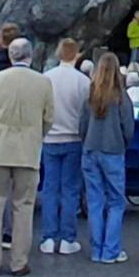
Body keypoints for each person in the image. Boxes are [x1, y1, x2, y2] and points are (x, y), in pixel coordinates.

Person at [0, 37, 52, 277]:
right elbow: (48, 118)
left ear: (10, 55)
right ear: (30, 56)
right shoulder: (43, 82)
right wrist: (35, 135)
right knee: (24, 206)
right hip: (27, 152)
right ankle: (19, 262)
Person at [78, 53, 132, 264]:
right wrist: (124, 144)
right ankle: (111, 250)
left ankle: (97, 249)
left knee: (95, 201)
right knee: (116, 202)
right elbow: (128, 128)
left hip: (91, 149)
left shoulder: (91, 94)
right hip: (113, 150)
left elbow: (81, 126)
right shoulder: (120, 96)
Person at [39, 39, 90, 255]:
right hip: (73, 139)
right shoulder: (83, 81)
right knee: (70, 189)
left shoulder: (46, 78)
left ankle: (49, 237)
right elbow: (87, 113)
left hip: (50, 138)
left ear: (59, 54)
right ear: (77, 55)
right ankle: (68, 238)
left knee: (50, 188)